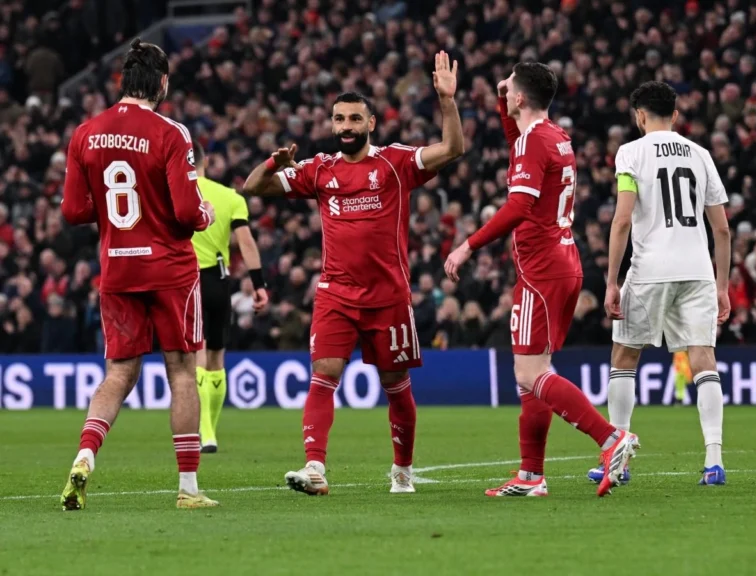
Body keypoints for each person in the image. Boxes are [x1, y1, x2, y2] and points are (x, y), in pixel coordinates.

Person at [242, 51, 464, 495]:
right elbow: (252, 188)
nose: (345, 126)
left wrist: (447, 102)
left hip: (389, 297)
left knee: (396, 387)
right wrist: (274, 163)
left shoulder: (396, 164)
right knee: (323, 374)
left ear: (371, 124)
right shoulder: (320, 170)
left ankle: (403, 470)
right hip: (336, 295)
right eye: (339, 119)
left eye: (354, 119)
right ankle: (315, 468)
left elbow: (453, 149)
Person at [444, 62, 639, 498]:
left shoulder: (536, 140)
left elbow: (517, 207)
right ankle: (531, 476)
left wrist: (467, 245)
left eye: (509, 89)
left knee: (532, 373)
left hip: (541, 270)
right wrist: (500, 102)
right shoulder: (553, 136)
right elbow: (519, 150)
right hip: (563, 264)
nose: (505, 92)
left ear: (520, 98)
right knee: (531, 374)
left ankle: (612, 439)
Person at [59, 38, 218, 510]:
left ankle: (85, 455)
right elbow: (188, 210)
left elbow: (72, 210)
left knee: (119, 372)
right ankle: (188, 488)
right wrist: (206, 215)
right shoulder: (172, 133)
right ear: (163, 82)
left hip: (118, 268)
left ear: (123, 82)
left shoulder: (86, 133)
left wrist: (111, 216)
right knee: (183, 371)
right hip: (169, 269)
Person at [587, 81, 730, 486]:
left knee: (624, 356)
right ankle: (714, 460)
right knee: (703, 359)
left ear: (640, 116)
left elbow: (622, 219)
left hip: (651, 269)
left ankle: (618, 460)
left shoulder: (631, 152)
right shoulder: (701, 155)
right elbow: (721, 229)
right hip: (698, 270)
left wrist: (612, 281)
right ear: (676, 116)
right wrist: (721, 285)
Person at [191, 140, 269, 453]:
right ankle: (212, 429)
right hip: (219, 281)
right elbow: (246, 243)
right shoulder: (230, 197)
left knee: (197, 353)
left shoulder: (174, 194)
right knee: (216, 357)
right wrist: (259, 284)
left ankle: (204, 431)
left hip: (187, 280)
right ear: (205, 161)